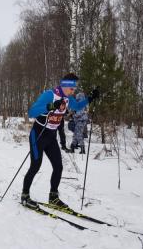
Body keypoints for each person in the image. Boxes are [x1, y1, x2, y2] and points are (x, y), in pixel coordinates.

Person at [21, 73, 99, 208]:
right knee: (35, 166)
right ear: (65, 86)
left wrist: (90, 98)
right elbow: (32, 112)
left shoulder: (68, 98)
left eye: (74, 89)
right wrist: (51, 106)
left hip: (51, 137)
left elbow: (77, 106)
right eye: (72, 88)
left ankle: (53, 198)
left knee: (58, 166)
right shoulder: (49, 95)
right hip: (38, 135)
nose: (73, 91)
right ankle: (25, 195)